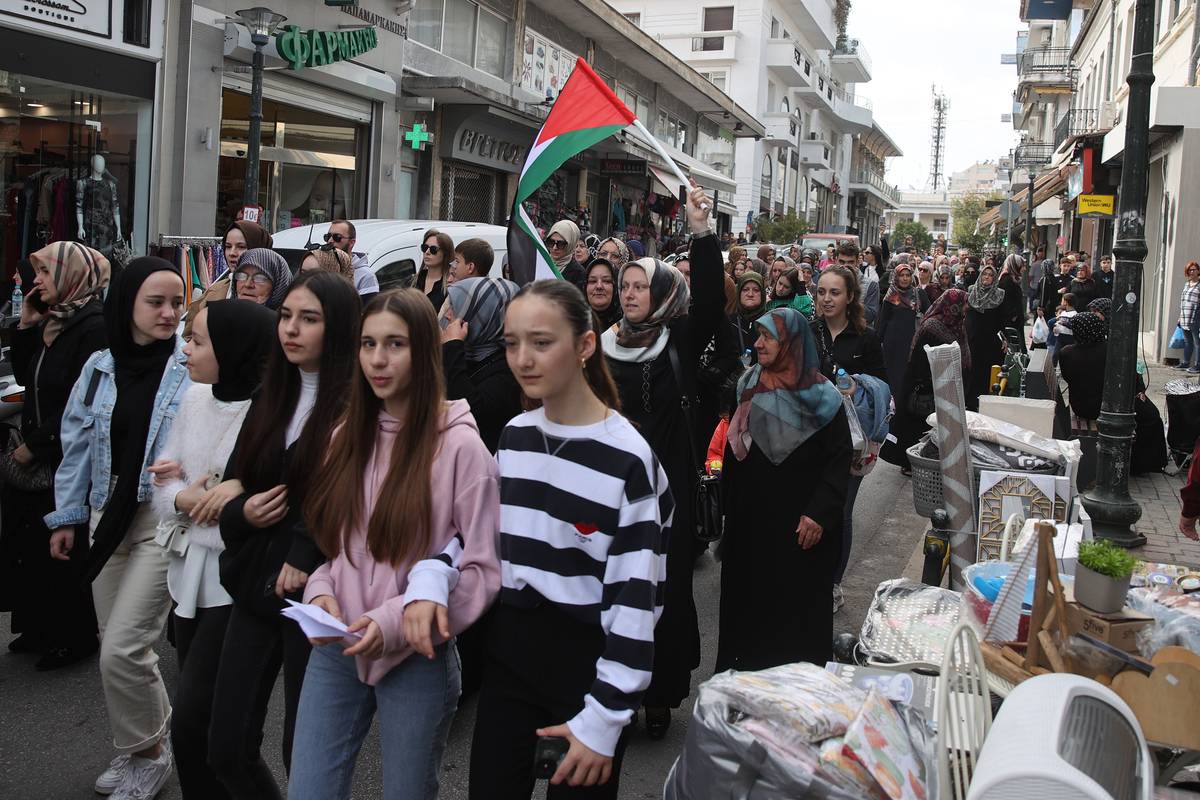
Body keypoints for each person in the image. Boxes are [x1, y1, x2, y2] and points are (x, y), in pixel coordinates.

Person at [290, 289, 501, 800]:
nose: (378, 360)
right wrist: (319, 592)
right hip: (336, 644)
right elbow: (334, 544)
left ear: (425, 350)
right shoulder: (345, 435)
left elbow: (482, 569)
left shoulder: (461, 446)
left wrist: (396, 620)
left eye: (395, 345)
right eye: (367, 344)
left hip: (417, 655)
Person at [468, 279, 671, 800]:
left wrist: (605, 717)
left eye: (541, 342)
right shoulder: (514, 436)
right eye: (511, 343)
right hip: (509, 654)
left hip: (588, 664)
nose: (522, 359)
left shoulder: (628, 456)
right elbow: (478, 540)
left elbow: (636, 597)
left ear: (585, 346)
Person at [211, 271, 361, 798]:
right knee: (225, 746)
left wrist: (306, 549)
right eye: (287, 316)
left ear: (339, 327)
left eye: (310, 319)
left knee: (306, 754)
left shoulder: (358, 407)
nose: (291, 329)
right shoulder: (270, 392)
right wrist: (241, 515)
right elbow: (237, 479)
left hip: (316, 597)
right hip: (254, 582)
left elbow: (352, 494)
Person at [47, 258, 190, 799]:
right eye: (156, 302)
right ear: (126, 302)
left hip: (160, 517)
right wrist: (66, 517)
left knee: (123, 649)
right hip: (107, 517)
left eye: (177, 302)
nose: (170, 313)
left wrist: (189, 469)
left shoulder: (189, 365)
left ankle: (151, 753)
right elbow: (77, 445)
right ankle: (142, 748)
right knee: (118, 643)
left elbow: (216, 430)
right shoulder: (101, 366)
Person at [600, 182, 719, 739]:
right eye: (624, 284)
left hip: (665, 491)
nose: (628, 293)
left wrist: (701, 232)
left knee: (664, 590)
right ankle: (615, 688)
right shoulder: (599, 346)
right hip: (610, 490)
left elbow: (714, 301)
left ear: (664, 292)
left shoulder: (678, 340)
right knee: (615, 588)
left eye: (640, 285)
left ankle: (660, 693)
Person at [151, 300, 276, 800]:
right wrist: (183, 496)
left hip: (235, 575)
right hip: (187, 569)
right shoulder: (195, 399)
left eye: (198, 341)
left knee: (200, 723)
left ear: (235, 349)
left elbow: (267, 501)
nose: (185, 349)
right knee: (201, 729)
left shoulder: (271, 412)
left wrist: (213, 499)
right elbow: (165, 476)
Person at [716, 307, 851, 670]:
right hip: (751, 526)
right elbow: (734, 453)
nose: (757, 343)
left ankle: (796, 695)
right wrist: (726, 508)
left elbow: (839, 463)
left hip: (800, 529)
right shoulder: (747, 385)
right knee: (748, 615)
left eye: (767, 337)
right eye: (757, 335)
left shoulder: (823, 398)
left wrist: (819, 514)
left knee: (796, 618)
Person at [2, 243, 109, 670]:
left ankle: (72, 636)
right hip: (42, 446)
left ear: (70, 277)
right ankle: (37, 625)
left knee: (61, 547)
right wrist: (28, 325)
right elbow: (32, 378)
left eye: (44, 273)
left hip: (64, 453)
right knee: (28, 539)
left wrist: (40, 444)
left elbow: (80, 402)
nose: (36, 282)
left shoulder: (92, 328)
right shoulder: (56, 320)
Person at [810, 264, 888, 612]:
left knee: (840, 510)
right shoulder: (809, 333)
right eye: (822, 292)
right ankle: (807, 575)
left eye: (834, 292)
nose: (826, 299)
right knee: (810, 506)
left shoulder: (866, 338)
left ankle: (831, 583)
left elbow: (884, 389)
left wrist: (859, 386)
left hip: (851, 440)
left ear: (850, 297)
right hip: (809, 435)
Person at [883, 289, 971, 474]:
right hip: (922, 384)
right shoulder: (931, 326)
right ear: (952, 305)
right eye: (963, 303)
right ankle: (909, 462)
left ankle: (927, 462)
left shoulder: (956, 324)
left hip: (942, 384)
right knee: (916, 426)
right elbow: (919, 359)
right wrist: (931, 380)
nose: (966, 308)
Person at [439, 276, 523, 454]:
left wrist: (452, 347)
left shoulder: (509, 369)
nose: (447, 314)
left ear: (483, 313)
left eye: (455, 307)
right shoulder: (468, 354)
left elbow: (467, 410)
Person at [183, 220, 272, 339]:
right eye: (228, 247)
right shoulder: (215, 291)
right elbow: (189, 339)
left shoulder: (279, 295)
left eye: (241, 247)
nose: (232, 253)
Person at [878, 262, 929, 396]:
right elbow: (883, 321)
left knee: (909, 376)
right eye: (901, 275)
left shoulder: (919, 294)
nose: (905, 278)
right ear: (896, 277)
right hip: (893, 343)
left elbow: (930, 314)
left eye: (908, 275)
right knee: (893, 377)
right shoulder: (891, 295)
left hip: (912, 342)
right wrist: (877, 343)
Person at [965, 264, 1007, 410]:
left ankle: (987, 404)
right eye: (985, 274)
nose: (987, 277)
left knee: (989, 372)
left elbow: (1003, 319)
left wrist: (1004, 339)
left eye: (990, 275)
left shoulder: (999, 294)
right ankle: (970, 403)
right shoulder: (971, 291)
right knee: (973, 371)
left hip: (991, 341)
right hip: (973, 339)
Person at [326, 220, 380, 298]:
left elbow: (367, 309)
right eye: (327, 236)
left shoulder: (365, 275)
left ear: (351, 242)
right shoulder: (321, 267)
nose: (330, 241)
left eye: (337, 237)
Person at [414, 229, 453, 312]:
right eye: (424, 248)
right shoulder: (414, 281)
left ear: (445, 253)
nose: (427, 252)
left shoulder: (450, 286)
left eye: (433, 249)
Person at [731, 271, 767, 358]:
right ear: (739, 293)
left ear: (762, 294)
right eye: (745, 290)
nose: (750, 294)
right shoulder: (729, 322)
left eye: (756, 290)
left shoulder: (770, 323)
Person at [547, 220, 586, 292]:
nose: (554, 248)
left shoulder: (578, 273)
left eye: (561, 244)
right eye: (551, 242)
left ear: (571, 244)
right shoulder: (541, 261)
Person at [584, 257, 622, 329]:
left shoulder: (626, 326)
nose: (599, 286)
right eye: (593, 281)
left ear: (616, 286)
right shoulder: (574, 322)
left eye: (606, 281)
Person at [1179, 261, 1200, 373]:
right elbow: (1183, 301)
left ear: (1198, 271)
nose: (1192, 271)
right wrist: (1179, 316)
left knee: (1197, 342)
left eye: (1194, 269)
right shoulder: (1187, 284)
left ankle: (1198, 365)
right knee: (1188, 341)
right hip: (1184, 317)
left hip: (1195, 317)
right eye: (1190, 270)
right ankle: (1185, 363)